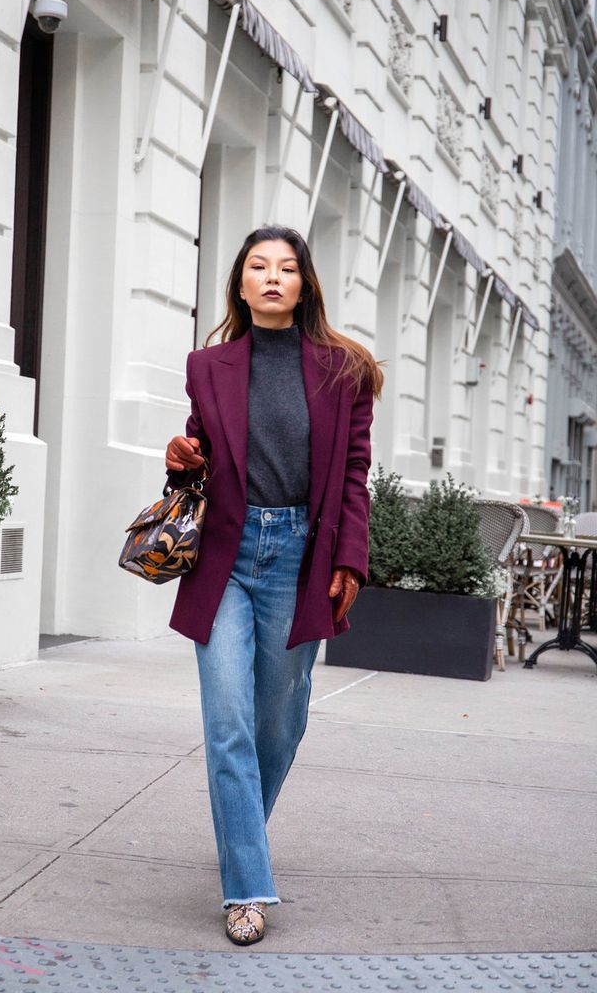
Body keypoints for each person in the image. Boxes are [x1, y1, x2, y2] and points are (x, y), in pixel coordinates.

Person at [164, 225, 383, 945]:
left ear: (303, 283)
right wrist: (180, 459)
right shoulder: (208, 365)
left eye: (285, 268)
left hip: (298, 556)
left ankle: (239, 836)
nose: (271, 277)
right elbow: (196, 466)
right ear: (240, 282)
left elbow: (354, 474)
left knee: (279, 723)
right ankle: (246, 892)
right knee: (227, 719)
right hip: (225, 557)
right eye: (258, 266)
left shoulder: (344, 370)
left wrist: (350, 559)